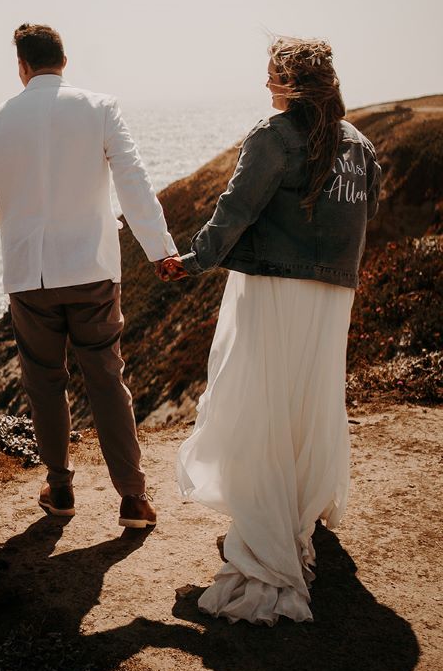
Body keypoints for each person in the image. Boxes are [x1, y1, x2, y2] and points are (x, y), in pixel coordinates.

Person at [161, 36, 381, 624]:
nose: (265, 87)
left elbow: (236, 209)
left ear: (291, 83)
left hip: (276, 289)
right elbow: (369, 209)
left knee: (260, 401)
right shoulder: (359, 145)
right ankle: (297, 511)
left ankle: (268, 536)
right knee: (310, 402)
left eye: (271, 78)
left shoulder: (274, 135)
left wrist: (193, 261)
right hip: (335, 292)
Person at [0, 23, 178, 529]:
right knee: (106, 379)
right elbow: (133, 181)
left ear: (21, 66)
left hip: (30, 273)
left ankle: (60, 489)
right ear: (64, 60)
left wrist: (20, 221)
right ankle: (132, 498)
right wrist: (160, 249)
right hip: (91, 267)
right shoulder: (100, 107)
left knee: (44, 383)